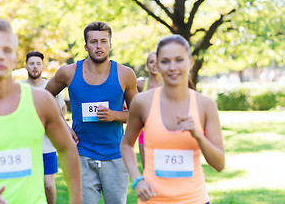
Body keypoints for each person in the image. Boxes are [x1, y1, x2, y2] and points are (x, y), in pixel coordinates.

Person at [0, 19, 82, 204]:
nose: (0, 56)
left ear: (14, 59)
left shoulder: (41, 102)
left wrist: (76, 200)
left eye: (7, 50)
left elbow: (67, 149)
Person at [120, 34, 225, 204]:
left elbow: (219, 164)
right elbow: (126, 144)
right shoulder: (142, 102)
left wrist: (198, 135)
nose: (172, 67)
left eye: (179, 60)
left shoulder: (205, 105)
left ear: (190, 62)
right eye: (165, 61)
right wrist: (137, 179)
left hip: (194, 200)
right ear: (157, 65)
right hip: (152, 200)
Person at [45, 21, 138, 204]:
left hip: (116, 156)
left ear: (110, 45)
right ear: (86, 46)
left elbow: (138, 115)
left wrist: (115, 115)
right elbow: (45, 97)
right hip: (81, 154)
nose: (99, 46)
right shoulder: (68, 73)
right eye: (94, 42)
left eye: (104, 41)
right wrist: (63, 125)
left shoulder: (125, 74)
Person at [22, 51, 67, 204]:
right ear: (26, 65)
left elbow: (62, 110)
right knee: (28, 185)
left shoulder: (50, 87)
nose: (35, 67)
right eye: (32, 63)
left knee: (48, 184)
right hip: (25, 146)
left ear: (43, 66)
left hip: (47, 145)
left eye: (38, 64)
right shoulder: (19, 89)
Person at [136, 52, 163, 168]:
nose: (154, 65)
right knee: (148, 171)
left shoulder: (170, 85)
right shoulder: (140, 85)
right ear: (147, 66)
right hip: (145, 133)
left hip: (165, 133)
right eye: (151, 62)